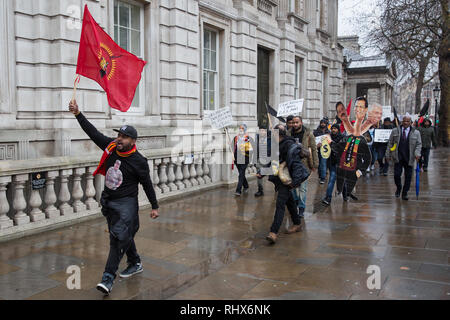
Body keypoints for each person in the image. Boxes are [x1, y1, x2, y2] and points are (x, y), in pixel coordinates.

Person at [68, 100, 159, 296]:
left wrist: (154, 205)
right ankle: (134, 262)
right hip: (108, 200)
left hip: (126, 204)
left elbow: (147, 184)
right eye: (119, 135)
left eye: (125, 137)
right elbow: (92, 133)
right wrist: (78, 114)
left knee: (117, 240)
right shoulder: (110, 147)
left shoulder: (139, 161)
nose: (120, 139)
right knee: (121, 235)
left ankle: (108, 278)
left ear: (133, 141)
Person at [265, 124, 303, 243]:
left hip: (287, 180)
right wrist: (262, 172)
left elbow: (296, 163)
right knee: (290, 202)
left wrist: (295, 182)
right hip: (279, 178)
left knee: (280, 204)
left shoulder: (290, 145)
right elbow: (272, 161)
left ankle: (273, 232)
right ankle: (297, 223)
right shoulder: (276, 145)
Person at [386, 115, 422, 200]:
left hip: (409, 158)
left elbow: (419, 144)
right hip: (398, 157)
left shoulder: (416, 133)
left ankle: (405, 192)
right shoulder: (395, 131)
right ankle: (399, 188)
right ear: (402, 121)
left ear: (411, 123)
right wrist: (387, 154)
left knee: (408, 177)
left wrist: (417, 154)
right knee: (396, 175)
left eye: (407, 121)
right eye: (404, 121)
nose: (405, 123)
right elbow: (390, 143)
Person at [290, 116, 318, 218]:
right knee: (293, 187)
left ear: (301, 123)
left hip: (304, 164)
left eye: (297, 122)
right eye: (293, 123)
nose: (295, 124)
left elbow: (314, 149)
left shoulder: (308, 134)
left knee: (303, 188)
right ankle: (297, 201)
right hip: (292, 165)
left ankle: (301, 208)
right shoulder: (288, 133)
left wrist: (315, 164)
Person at [322, 123, 345, 205]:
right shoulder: (328, 137)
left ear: (338, 130)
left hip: (339, 162)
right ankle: (329, 197)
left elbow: (340, 149)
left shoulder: (342, 138)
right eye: (332, 128)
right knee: (333, 179)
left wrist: (331, 143)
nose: (333, 130)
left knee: (335, 180)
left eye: (335, 128)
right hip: (331, 161)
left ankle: (329, 197)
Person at [233, 123, 254, 196]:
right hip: (236, 159)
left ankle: (238, 190)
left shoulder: (248, 138)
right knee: (241, 174)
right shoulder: (236, 138)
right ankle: (246, 185)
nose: (240, 129)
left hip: (244, 159)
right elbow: (233, 148)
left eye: (242, 128)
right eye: (239, 128)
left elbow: (250, 149)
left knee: (241, 174)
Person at [254, 128, 271, 197]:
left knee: (273, 176)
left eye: (263, 130)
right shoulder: (257, 139)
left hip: (269, 160)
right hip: (260, 160)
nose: (261, 132)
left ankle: (277, 187)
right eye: (260, 130)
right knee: (259, 175)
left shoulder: (270, 139)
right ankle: (260, 190)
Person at [313, 119, 330, 184]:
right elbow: (313, 140)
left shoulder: (328, 132)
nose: (323, 124)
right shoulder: (316, 132)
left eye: (324, 123)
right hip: (318, 150)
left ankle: (323, 177)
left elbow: (330, 140)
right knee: (319, 164)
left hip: (325, 150)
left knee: (323, 163)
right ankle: (321, 175)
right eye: (321, 123)